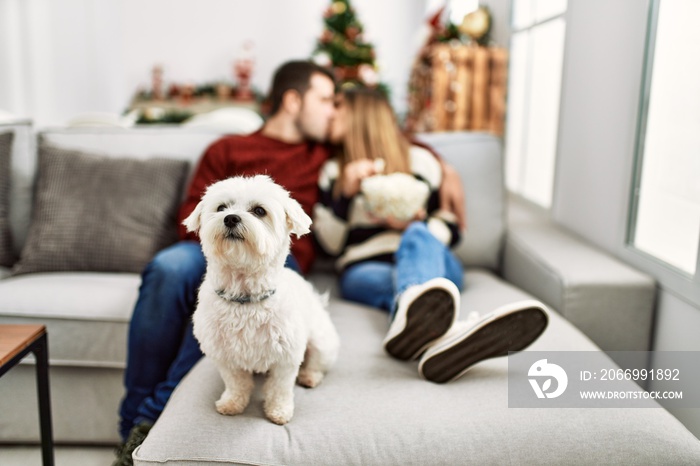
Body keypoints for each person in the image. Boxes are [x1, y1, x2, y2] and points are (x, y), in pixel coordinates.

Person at [113, 61, 468, 465]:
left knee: (242, 308)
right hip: (207, 250)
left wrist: (444, 163)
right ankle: (132, 420)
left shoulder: (323, 155)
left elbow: (384, 139)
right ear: (293, 101)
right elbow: (194, 213)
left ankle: (150, 421)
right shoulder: (226, 149)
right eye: (326, 100)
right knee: (168, 269)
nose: (335, 111)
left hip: (276, 262)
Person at [314, 87, 549, 384]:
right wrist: (345, 195)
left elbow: (451, 225)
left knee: (416, 235)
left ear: (361, 114)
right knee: (406, 291)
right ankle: (450, 335)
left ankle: (415, 315)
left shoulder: (422, 162)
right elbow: (329, 245)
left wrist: (415, 223)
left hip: (432, 258)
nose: (330, 114)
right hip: (365, 266)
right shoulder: (334, 170)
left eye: (338, 106)